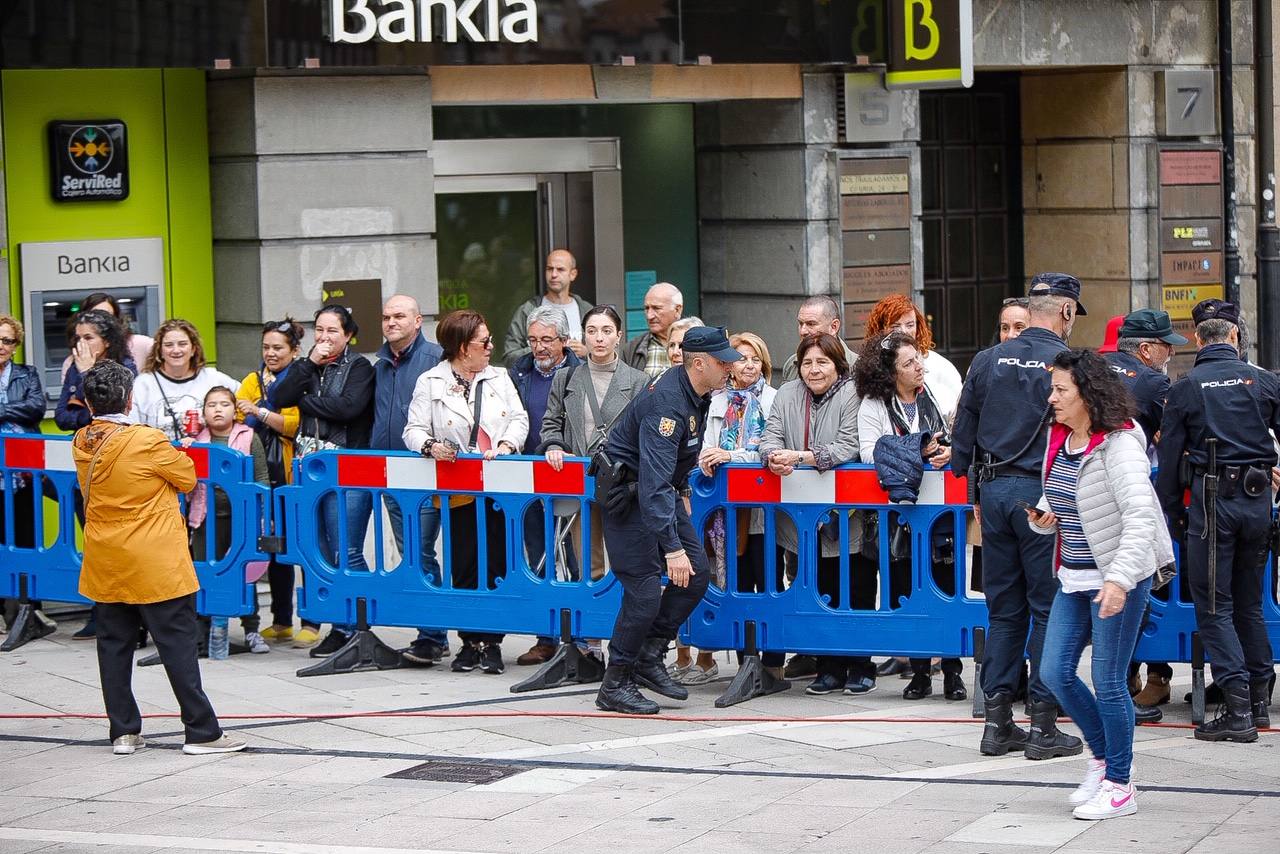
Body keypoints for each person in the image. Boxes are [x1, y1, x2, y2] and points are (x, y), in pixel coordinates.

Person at [72, 359, 245, 756]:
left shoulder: (82, 440)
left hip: (107, 556)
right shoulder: (146, 440)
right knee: (177, 643)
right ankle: (201, 731)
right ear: (130, 399)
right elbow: (186, 477)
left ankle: (124, 731)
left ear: (87, 401)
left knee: (113, 644)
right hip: (154, 558)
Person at [952, 272, 1087, 760]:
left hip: (994, 494)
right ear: (1066, 312)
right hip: (1045, 497)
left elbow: (962, 437)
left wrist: (973, 489)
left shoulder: (988, 360)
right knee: (1049, 609)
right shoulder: (1068, 364)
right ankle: (1046, 725)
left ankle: (998, 724)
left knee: (1004, 611)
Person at [1032, 348, 1170, 821]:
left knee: (1109, 681)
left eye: (1060, 390)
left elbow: (1139, 520)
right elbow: (1066, 495)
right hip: (1074, 577)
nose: (1051, 397)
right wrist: (1046, 515)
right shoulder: (1063, 438)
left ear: (1087, 395)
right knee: (1054, 672)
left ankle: (1120, 784)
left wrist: (1118, 579)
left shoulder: (1121, 445)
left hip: (1119, 576)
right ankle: (1101, 758)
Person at [593, 326, 737, 714]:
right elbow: (653, 481)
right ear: (699, 363)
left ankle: (649, 655)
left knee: (697, 576)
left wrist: (684, 491)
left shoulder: (699, 392)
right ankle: (615, 684)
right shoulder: (669, 405)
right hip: (629, 496)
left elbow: (679, 458)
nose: (730, 368)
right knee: (642, 592)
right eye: (724, 362)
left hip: (658, 493)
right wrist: (672, 548)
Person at [1156, 299, 1280, 741]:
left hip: (1212, 505)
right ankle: (1260, 701)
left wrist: (1170, 517)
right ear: (1232, 336)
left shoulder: (1186, 388)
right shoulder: (1264, 382)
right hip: (1256, 500)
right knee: (1248, 603)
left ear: (1196, 338)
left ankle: (1239, 707)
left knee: (1214, 607)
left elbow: (1169, 463)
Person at [403, 309, 529, 675]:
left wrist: (505, 447)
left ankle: (492, 643)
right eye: (483, 342)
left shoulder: (500, 377)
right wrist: (430, 447)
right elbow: (412, 429)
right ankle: (468, 642)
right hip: (457, 488)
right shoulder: (431, 380)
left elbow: (519, 419)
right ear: (461, 347)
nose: (491, 347)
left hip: (499, 485)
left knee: (498, 562)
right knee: (465, 563)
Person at [760, 333, 877, 697]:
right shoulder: (786, 394)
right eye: (807, 362)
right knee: (818, 588)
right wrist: (772, 457)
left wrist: (801, 458)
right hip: (800, 516)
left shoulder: (852, 393)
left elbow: (848, 445)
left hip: (847, 513)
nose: (814, 370)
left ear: (838, 364)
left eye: (822, 362)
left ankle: (860, 665)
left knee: (856, 587)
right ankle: (827, 668)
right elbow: (769, 436)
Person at [855, 331, 965, 701]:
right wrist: (918, 448)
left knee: (947, 589)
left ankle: (953, 672)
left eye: (918, 358)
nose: (920, 367)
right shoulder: (873, 405)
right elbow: (870, 454)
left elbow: (950, 437)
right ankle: (919, 673)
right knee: (905, 592)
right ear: (890, 373)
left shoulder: (931, 396)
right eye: (909, 363)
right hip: (896, 518)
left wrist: (944, 450)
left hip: (939, 518)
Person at [537, 305, 648, 661]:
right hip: (581, 484)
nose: (599, 338)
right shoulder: (566, 378)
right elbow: (550, 423)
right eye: (592, 330)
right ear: (582, 336)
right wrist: (554, 446)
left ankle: (623, 640)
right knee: (588, 561)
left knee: (625, 563)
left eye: (606, 331)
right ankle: (593, 644)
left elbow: (646, 434)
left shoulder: (639, 381)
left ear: (618, 336)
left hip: (622, 485)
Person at [273, 304, 375, 654]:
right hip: (308, 469)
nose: (325, 337)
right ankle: (337, 624)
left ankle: (358, 625)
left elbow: (348, 408)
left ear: (348, 335)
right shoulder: (308, 367)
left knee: (346, 549)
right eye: (319, 329)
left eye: (333, 331)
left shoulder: (360, 367)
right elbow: (279, 397)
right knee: (317, 551)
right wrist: (308, 367)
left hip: (346, 470)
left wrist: (308, 402)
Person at [1104, 309, 1187, 723]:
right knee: (1132, 591)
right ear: (1145, 348)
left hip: (1081, 500)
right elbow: (1170, 440)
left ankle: (1100, 687)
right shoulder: (1153, 382)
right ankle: (1117, 692)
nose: (1169, 354)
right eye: (1166, 346)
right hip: (1129, 497)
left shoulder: (1093, 368)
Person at [697, 332, 784, 680]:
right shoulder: (715, 401)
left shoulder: (776, 400)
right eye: (741, 357)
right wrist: (708, 457)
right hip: (727, 511)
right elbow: (705, 445)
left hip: (766, 511)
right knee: (736, 581)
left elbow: (771, 448)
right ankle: (745, 660)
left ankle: (774, 664)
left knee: (769, 581)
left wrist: (731, 456)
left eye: (754, 358)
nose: (748, 364)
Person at [369, 295, 450, 667]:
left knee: (420, 551)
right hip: (390, 472)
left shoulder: (435, 358)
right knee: (412, 553)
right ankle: (431, 631)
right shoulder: (381, 362)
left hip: (427, 471)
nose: (391, 322)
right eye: (386, 317)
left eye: (399, 316)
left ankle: (434, 635)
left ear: (418, 320)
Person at [55, 309, 139, 641]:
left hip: (118, 470)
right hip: (87, 474)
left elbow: (113, 414)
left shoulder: (125, 368)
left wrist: (88, 379)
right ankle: (101, 611)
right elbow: (63, 416)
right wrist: (82, 382)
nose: (82, 343)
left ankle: (133, 617)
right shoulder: (74, 369)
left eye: (88, 337)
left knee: (123, 547)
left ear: (106, 340)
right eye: (77, 337)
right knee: (96, 545)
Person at [509, 305, 583, 665]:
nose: (539, 347)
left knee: (575, 555)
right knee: (538, 556)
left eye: (547, 340)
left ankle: (581, 635)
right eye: (533, 339)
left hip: (570, 478)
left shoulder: (579, 373)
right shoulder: (519, 372)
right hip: (529, 480)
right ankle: (545, 636)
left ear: (565, 341)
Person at [183, 387, 272, 654]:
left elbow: (262, 477)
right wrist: (184, 450)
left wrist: (263, 517)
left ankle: (251, 629)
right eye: (211, 405)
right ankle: (202, 629)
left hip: (240, 519)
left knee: (244, 573)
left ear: (235, 410)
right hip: (205, 517)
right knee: (203, 572)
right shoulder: (195, 440)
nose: (218, 409)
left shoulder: (248, 437)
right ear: (203, 412)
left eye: (224, 404)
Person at [235, 318, 304, 644]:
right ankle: (280, 620)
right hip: (261, 475)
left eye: (278, 347)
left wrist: (261, 411)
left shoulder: (301, 379)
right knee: (272, 549)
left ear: (294, 350)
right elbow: (238, 418)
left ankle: (313, 622)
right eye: (266, 347)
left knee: (300, 547)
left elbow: (293, 425)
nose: (271, 353)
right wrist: (262, 413)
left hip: (293, 475)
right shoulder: (251, 379)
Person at [0, 314, 51, 635]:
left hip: (22, 474)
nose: (1, 346)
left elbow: (35, 408)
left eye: (7, 340)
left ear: (16, 345)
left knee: (24, 538)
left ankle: (29, 613)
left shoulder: (26, 374)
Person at [130, 319, 239, 442]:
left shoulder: (213, 378)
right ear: (159, 351)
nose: (176, 350)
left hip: (205, 458)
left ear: (193, 349)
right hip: (157, 458)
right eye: (169, 345)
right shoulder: (143, 384)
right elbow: (131, 428)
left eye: (182, 344)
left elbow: (244, 401)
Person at [864, 293, 963, 413]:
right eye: (895, 326)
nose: (903, 331)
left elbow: (956, 411)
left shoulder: (941, 367)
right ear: (880, 329)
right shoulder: (869, 369)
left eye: (910, 325)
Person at [504, 249, 594, 366]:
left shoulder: (588, 311)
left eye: (560, 269)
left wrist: (588, 353)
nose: (554, 275)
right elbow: (509, 357)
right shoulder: (527, 310)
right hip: (537, 382)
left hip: (578, 382)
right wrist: (542, 347)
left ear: (573, 274)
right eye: (550, 269)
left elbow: (607, 355)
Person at [59, 291, 153, 381]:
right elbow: (68, 396)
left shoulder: (139, 343)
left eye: (107, 315)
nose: (103, 321)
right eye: (95, 315)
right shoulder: (72, 362)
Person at [781, 296, 858, 383]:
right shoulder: (792, 364)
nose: (803, 331)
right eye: (800, 323)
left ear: (834, 327)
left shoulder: (858, 367)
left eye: (811, 324)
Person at [621, 282, 683, 376]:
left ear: (677, 310)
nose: (649, 316)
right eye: (646, 308)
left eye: (657, 308)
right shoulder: (632, 349)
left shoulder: (698, 344)